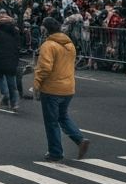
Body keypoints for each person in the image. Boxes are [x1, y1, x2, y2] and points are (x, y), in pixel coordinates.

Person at [33, 16, 89, 162]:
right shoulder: (69, 44)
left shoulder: (48, 45)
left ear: (46, 29)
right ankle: (79, 139)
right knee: (62, 117)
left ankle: (55, 152)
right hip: (68, 87)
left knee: (51, 122)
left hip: (52, 88)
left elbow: (45, 68)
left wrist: (37, 85)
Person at [0, 14, 22, 110]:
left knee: (0, 77)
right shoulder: (15, 31)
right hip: (12, 57)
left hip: (0, 57)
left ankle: (5, 95)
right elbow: (18, 45)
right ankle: (14, 103)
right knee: (11, 81)